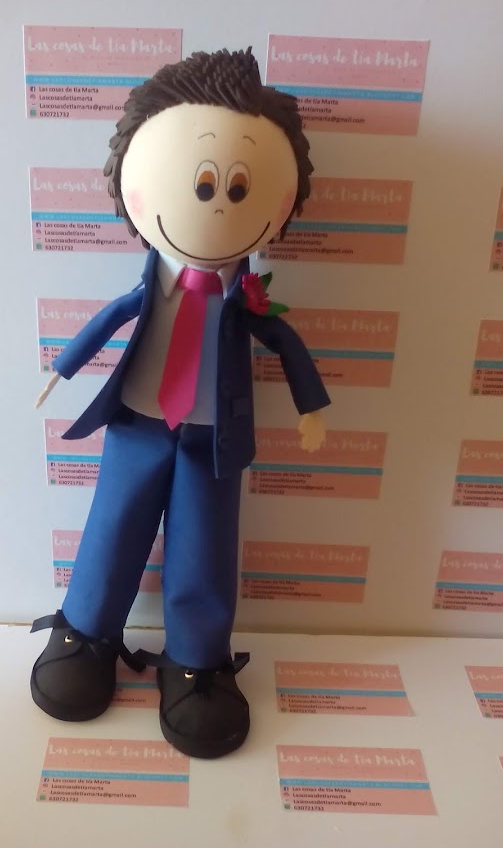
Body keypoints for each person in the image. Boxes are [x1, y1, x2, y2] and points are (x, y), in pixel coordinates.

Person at [30, 47, 331, 759]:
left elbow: (285, 343)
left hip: (212, 440)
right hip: (137, 424)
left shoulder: (245, 301)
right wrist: (62, 371)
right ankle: (85, 631)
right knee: (112, 528)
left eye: (237, 187)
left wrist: (311, 406)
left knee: (205, 547)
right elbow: (108, 321)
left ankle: (198, 661)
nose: (218, 203)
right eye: (201, 183)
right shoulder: (148, 290)